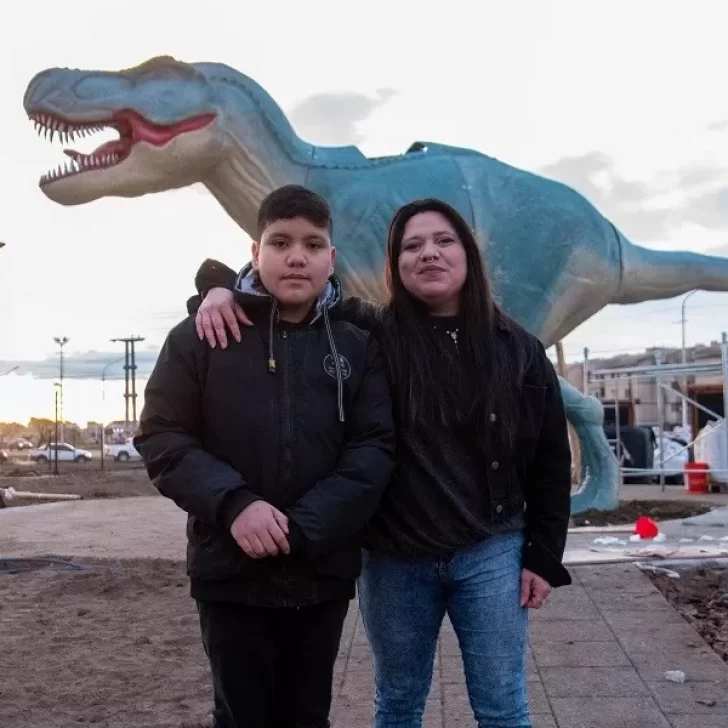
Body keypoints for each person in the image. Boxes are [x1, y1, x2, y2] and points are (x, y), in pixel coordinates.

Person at [188, 198, 572, 728]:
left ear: (469, 255)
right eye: (411, 246)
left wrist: (544, 554)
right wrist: (216, 286)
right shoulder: (370, 331)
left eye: (443, 241)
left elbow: (552, 459)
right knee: (397, 704)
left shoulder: (519, 350)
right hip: (395, 559)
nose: (428, 254)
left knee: (503, 706)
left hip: (491, 552)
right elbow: (288, 288)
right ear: (396, 264)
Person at [134, 184, 396, 728]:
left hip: (320, 572)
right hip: (229, 573)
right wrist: (233, 505)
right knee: (241, 717)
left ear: (331, 258)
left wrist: (302, 528)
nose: (296, 255)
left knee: (306, 717)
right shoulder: (200, 337)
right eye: (279, 242)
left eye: (312, 243)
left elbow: (374, 448)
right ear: (254, 254)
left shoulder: (357, 344)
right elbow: (162, 436)